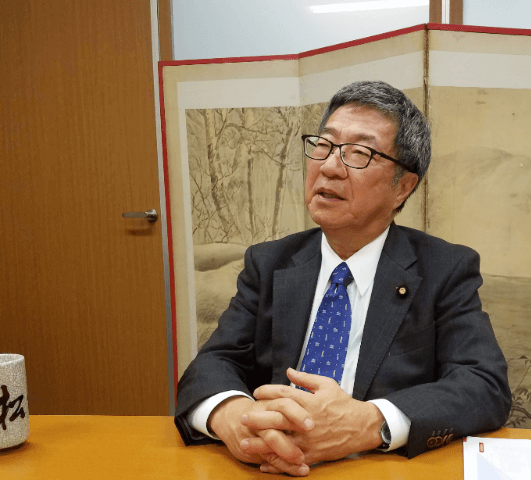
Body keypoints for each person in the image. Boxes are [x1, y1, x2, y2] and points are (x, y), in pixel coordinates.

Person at [174, 80, 511, 476]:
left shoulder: (443, 269)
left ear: (403, 187)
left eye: (359, 153)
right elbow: (213, 363)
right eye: (324, 145)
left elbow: (483, 384)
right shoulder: (269, 263)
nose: (330, 167)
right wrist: (236, 418)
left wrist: (367, 424)